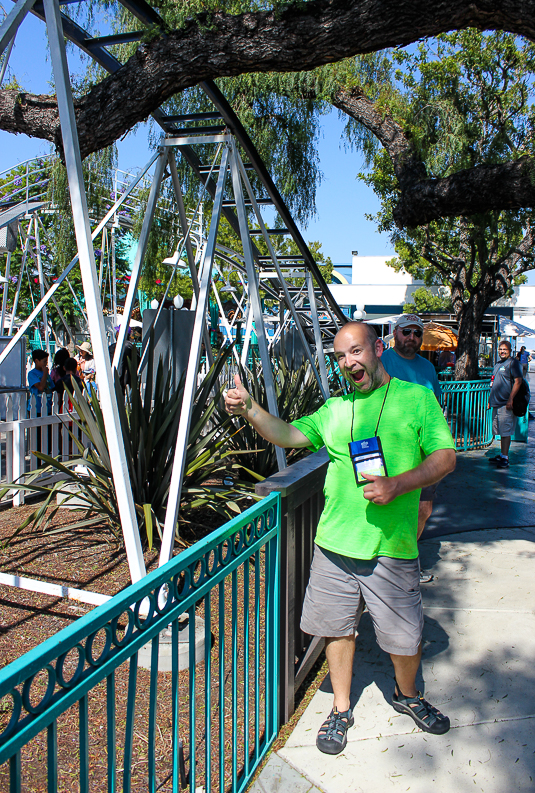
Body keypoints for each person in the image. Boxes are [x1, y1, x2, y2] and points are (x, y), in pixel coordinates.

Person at [225, 321, 456, 754]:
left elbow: (445, 458)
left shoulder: (417, 399)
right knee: (337, 630)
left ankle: (408, 695)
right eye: (340, 356)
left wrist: (399, 485)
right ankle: (341, 709)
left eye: (356, 351)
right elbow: (290, 434)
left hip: (392, 548)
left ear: (379, 348)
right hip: (333, 546)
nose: (349, 362)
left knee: (405, 636)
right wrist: (251, 409)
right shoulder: (335, 409)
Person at [381, 314, 443, 583]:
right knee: (389, 508)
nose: (412, 338)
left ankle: (404, 562)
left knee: (422, 510)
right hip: (390, 452)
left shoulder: (428, 369)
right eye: (407, 332)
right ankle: (383, 566)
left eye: (417, 333)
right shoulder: (382, 362)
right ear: (396, 333)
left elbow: (436, 410)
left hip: (421, 454)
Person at [488, 340, 522, 469]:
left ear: (510, 351)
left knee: (505, 431)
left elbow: (518, 381)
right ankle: (502, 454)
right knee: (499, 430)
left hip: (505, 404)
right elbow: (493, 382)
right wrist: (489, 400)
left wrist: (510, 399)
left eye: (505, 350)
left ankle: (505, 458)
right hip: (496, 403)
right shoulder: (498, 364)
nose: (502, 351)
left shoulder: (513, 363)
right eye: (500, 349)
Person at [27, 349, 53, 416]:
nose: (45, 364)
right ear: (36, 361)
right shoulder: (32, 374)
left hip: (48, 407)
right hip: (36, 408)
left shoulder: (47, 375)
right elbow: (40, 387)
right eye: (44, 362)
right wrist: (45, 373)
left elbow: (52, 387)